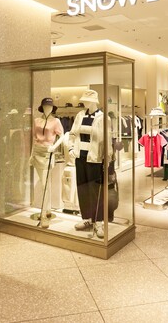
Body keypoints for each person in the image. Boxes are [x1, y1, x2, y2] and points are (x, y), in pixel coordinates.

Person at [68, 89, 108, 238]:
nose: (84, 102)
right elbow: (72, 133)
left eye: (86, 100)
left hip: (95, 158)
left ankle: (98, 221)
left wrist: (107, 157)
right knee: (82, 188)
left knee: (95, 190)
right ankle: (87, 218)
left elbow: (107, 139)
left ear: (93, 101)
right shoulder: (80, 115)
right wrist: (71, 148)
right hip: (80, 157)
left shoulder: (102, 117)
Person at [29, 98, 64, 228]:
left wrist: (54, 147)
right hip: (37, 152)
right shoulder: (36, 121)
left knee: (45, 184)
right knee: (45, 184)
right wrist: (31, 154)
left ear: (52, 108)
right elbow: (34, 138)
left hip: (47, 153)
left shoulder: (56, 121)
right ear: (42, 107)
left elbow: (63, 136)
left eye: (49, 106)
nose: (47, 108)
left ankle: (44, 214)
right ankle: (47, 210)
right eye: (45, 106)